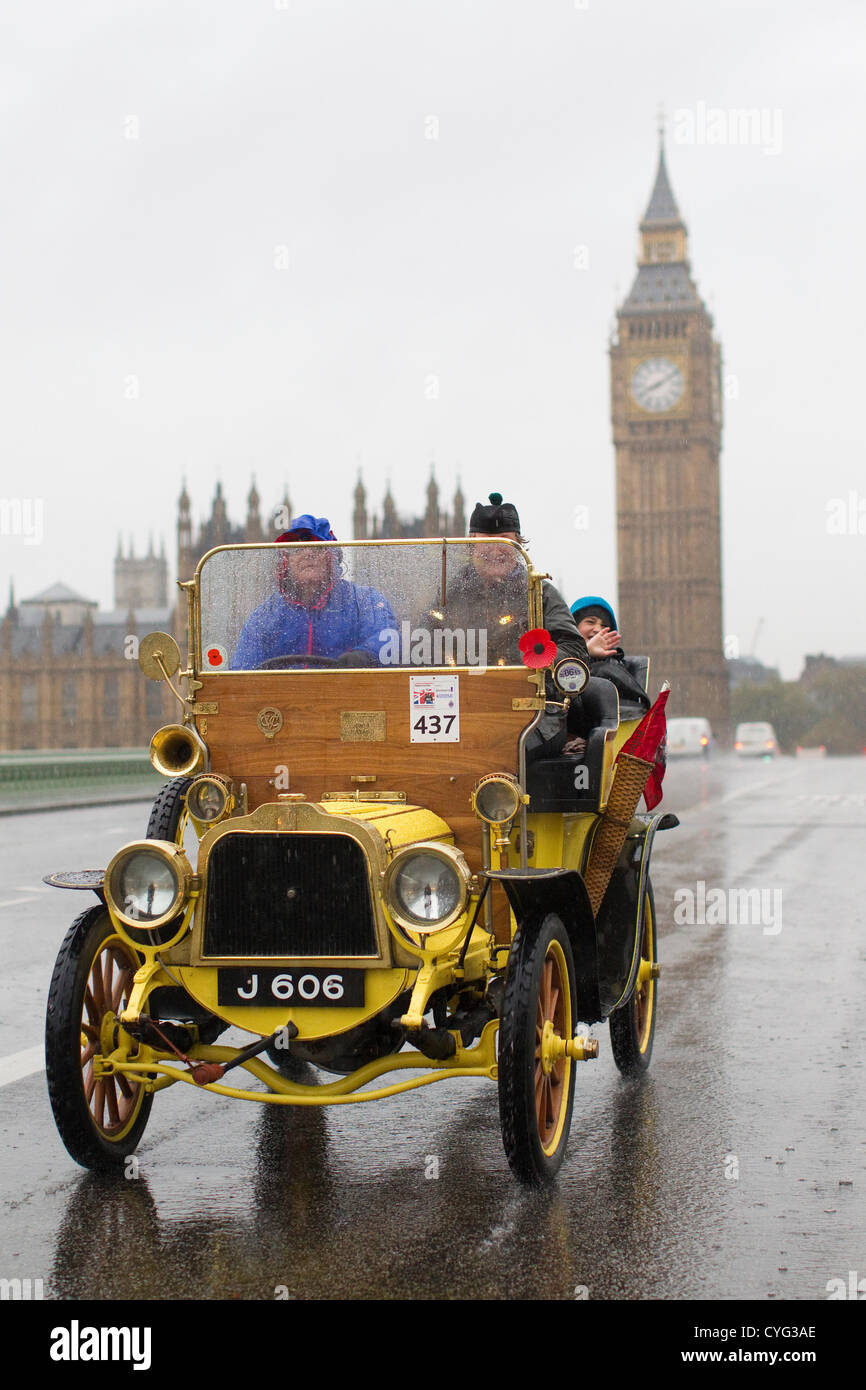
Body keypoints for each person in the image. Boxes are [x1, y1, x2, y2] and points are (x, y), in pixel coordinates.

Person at [430, 493, 588, 668]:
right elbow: (420, 643)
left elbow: (575, 650)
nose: (496, 550)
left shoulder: (540, 594)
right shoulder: (450, 594)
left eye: (505, 541)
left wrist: (534, 659)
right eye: (487, 542)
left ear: (519, 546)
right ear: (471, 545)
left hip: (525, 691)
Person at [231, 514, 397, 669]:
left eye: (317, 547)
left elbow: (388, 641)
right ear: (285, 562)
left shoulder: (363, 601)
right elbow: (242, 668)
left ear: (331, 558)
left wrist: (364, 656)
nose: (307, 552)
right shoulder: (266, 615)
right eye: (297, 549)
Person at [569, 595, 651, 711]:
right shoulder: (550, 657)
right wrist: (585, 653)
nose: (598, 629)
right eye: (590, 622)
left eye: (604, 626)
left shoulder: (618, 668)